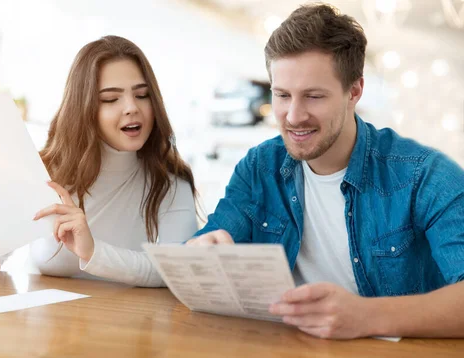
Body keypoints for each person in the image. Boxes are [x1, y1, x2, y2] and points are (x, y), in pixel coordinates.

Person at [187, 3, 464, 339]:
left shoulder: (425, 176)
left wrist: (366, 316)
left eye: (313, 96)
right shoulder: (260, 167)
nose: (293, 115)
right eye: (282, 95)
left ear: (355, 92)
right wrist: (204, 252)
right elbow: (214, 237)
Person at [0, 35, 199, 287]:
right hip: (46, 323)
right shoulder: (44, 172)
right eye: (111, 99)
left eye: (143, 95)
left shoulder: (171, 183)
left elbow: (175, 271)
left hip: (127, 323)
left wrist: (93, 252)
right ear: (84, 107)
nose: (132, 107)